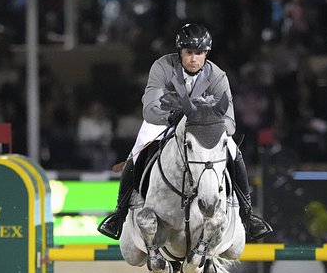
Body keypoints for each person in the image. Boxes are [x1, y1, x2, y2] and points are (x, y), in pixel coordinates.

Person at [98, 23, 273, 241]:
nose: (193, 58)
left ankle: (247, 215)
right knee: (137, 152)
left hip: (202, 127)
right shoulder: (162, 67)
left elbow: (230, 123)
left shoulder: (217, 76)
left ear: (206, 53)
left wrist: (207, 121)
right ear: (180, 51)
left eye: (199, 53)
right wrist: (174, 117)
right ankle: (120, 214)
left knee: (233, 150)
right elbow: (150, 110)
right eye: (188, 52)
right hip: (165, 121)